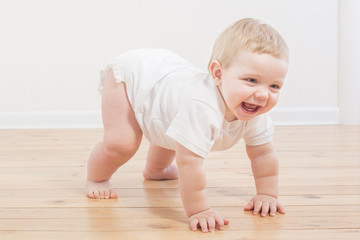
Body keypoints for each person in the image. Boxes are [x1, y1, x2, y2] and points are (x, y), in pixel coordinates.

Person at [86, 18, 289, 233]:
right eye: (251, 80)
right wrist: (199, 210)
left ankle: (157, 169)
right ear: (218, 74)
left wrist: (267, 194)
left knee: (175, 125)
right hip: (132, 77)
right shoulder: (201, 107)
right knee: (122, 144)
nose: (262, 94)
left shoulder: (255, 109)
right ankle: (96, 179)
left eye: (274, 85)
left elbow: (263, 155)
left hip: (169, 84)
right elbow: (189, 163)